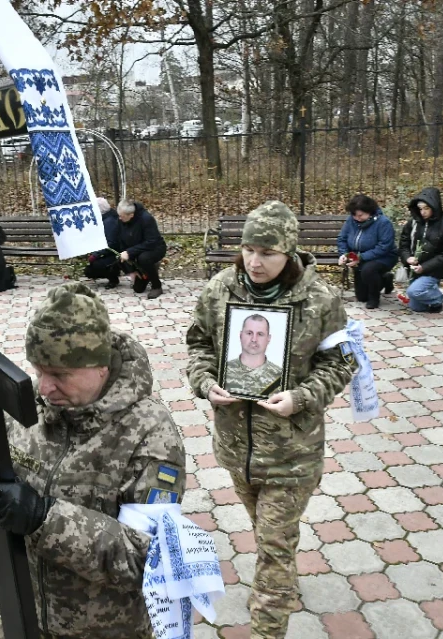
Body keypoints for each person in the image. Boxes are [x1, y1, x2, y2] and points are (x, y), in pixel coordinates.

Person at [0, 282, 186, 639]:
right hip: (24, 618)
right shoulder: (26, 406)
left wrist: (44, 517)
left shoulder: (150, 434)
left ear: (101, 367)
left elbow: (148, 559)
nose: (44, 388)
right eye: (38, 370)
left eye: (60, 375)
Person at [186, 201, 356, 639]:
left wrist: (301, 397)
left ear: (290, 251)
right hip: (237, 447)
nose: (255, 262)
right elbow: (199, 345)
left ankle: (268, 627)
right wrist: (206, 383)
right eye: (248, 249)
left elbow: (340, 364)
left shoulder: (321, 300)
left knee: (274, 547)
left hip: (291, 452)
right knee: (267, 535)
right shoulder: (221, 288)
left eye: (268, 252)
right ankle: (281, 582)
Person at [398, 187, 443, 313]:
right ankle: (431, 294)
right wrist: (407, 257)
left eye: (426, 208)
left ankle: (437, 298)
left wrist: (424, 267)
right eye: (420, 208)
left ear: (434, 207)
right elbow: (404, 243)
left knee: (413, 291)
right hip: (415, 269)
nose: (423, 212)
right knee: (416, 307)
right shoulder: (414, 223)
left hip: (433, 270)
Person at [336, 194, 398, 309]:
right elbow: (342, 239)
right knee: (361, 297)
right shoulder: (351, 221)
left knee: (368, 270)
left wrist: (360, 257)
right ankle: (385, 279)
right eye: (354, 215)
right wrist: (344, 254)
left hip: (383, 257)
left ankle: (374, 298)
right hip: (360, 257)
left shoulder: (383, 223)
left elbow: (384, 247)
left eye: (360, 215)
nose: (357, 218)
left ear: (370, 212)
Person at [223, 314, 283, 397]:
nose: (254, 339)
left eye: (260, 334)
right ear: (241, 335)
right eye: (249, 333)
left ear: (268, 338)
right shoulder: (223, 370)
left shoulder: (280, 376)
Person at [116, 199, 166, 299]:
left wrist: (129, 252)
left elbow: (151, 242)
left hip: (154, 248)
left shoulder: (146, 219)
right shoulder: (122, 219)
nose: (119, 218)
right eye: (119, 215)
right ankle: (145, 271)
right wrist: (132, 270)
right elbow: (120, 241)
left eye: (122, 216)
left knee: (144, 259)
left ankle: (157, 286)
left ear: (131, 215)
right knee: (138, 289)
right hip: (136, 249)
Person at [84, 197, 121, 288]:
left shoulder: (109, 222)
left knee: (93, 268)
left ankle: (113, 278)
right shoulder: (108, 217)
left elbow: (111, 244)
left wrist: (96, 255)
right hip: (111, 251)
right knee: (90, 268)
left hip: (115, 253)